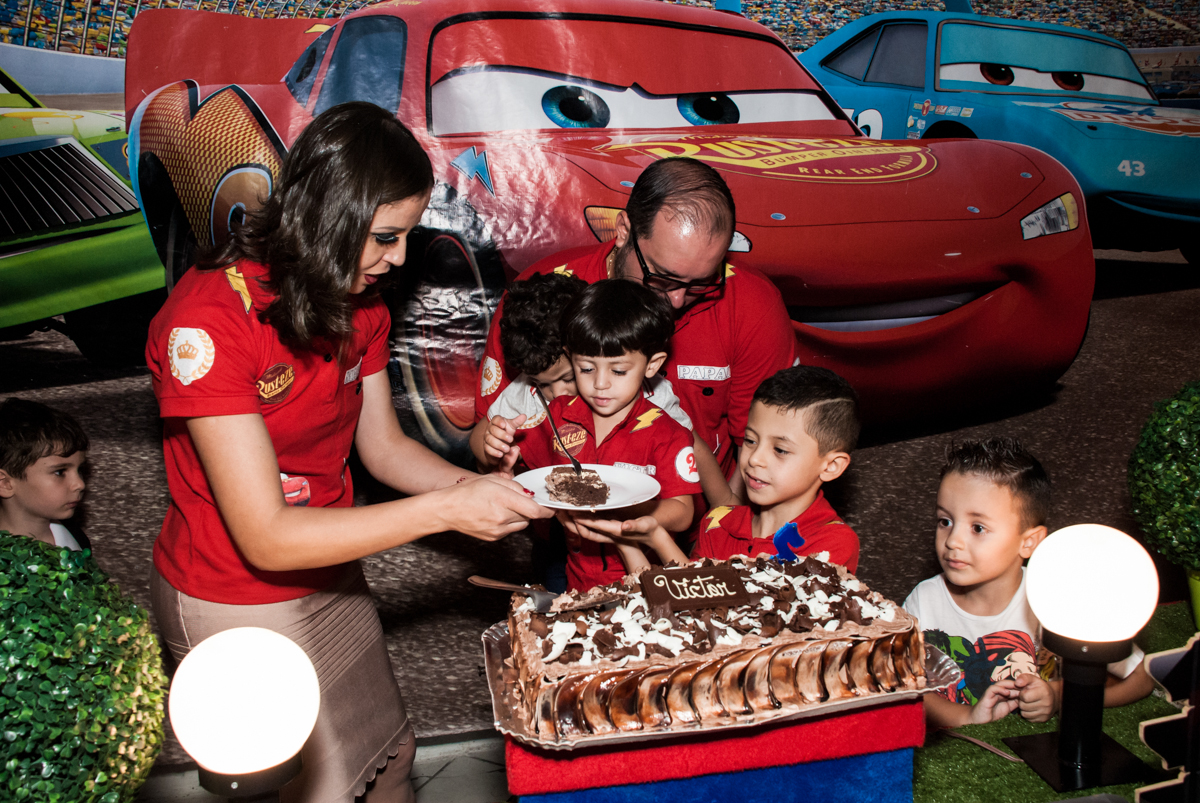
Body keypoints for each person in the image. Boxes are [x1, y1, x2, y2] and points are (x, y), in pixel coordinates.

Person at [144, 103, 549, 803]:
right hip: (234, 599)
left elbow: (384, 448)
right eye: (386, 236)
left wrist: (498, 494)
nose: (397, 258)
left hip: (329, 574)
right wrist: (447, 509)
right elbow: (266, 536)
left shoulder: (361, 305)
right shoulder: (205, 326)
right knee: (315, 791)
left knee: (389, 756)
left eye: (406, 237)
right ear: (333, 215)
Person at [475, 157, 796, 492]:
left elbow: (763, 452)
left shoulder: (752, 305)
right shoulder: (548, 294)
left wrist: (722, 533)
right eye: (661, 278)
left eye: (702, 283)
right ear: (624, 231)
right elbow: (488, 445)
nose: (675, 301)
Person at [903, 438, 1155, 729]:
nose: (953, 541)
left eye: (978, 528)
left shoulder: (1056, 599)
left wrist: (1061, 696)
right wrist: (965, 717)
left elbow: (1142, 679)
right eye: (945, 521)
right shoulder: (924, 602)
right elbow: (902, 691)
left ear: (1029, 542)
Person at [480, 280, 701, 591]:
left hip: (645, 583)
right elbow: (532, 479)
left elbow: (682, 513)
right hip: (577, 579)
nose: (600, 384)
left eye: (618, 371)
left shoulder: (669, 434)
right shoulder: (558, 414)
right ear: (571, 357)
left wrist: (632, 520)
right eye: (586, 369)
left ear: (652, 365)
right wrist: (501, 457)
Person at [582, 366, 860, 575]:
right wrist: (644, 539)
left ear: (831, 466)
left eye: (780, 450)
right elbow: (691, 604)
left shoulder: (832, 543)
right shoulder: (719, 523)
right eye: (750, 441)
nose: (754, 460)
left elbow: (757, 621)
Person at [0, 397, 91, 552]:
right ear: (5, 484)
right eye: (59, 472)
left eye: (79, 469)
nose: (80, 484)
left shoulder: (77, 539)